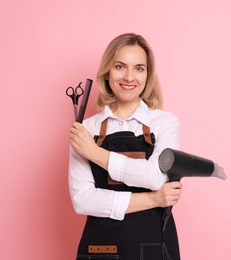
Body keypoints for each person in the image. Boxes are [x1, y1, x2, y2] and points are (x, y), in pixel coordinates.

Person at [68, 33, 182, 260]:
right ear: (108, 71)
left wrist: (94, 152)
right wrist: (152, 199)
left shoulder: (164, 123)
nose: (129, 77)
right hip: (101, 250)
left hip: (155, 248)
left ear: (148, 75)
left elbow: (154, 178)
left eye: (139, 68)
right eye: (120, 66)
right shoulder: (86, 129)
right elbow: (82, 200)